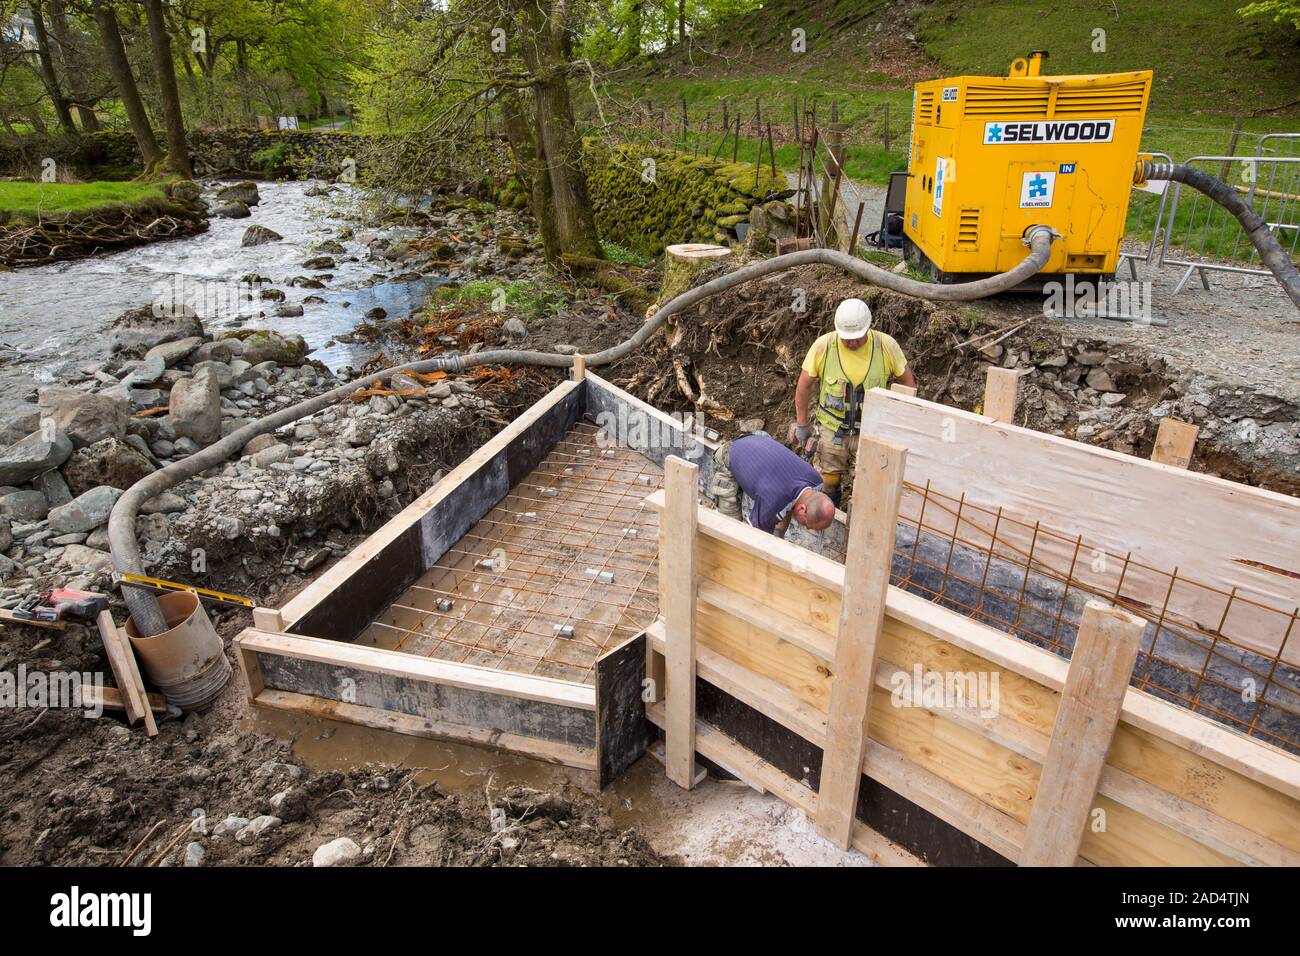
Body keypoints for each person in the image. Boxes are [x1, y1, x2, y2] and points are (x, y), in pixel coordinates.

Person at [788, 298, 916, 505]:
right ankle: (828, 519)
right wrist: (802, 423)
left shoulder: (886, 346)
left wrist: (899, 425)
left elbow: (907, 383)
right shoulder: (824, 346)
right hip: (832, 429)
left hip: (871, 431)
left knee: (869, 484)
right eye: (847, 338)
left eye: (857, 337)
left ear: (868, 327)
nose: (852, 342)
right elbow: (804, 384)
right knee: (827, 481)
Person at [707, 432, 836, 537]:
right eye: (806, 524)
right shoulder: (772, 504)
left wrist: (778, 535)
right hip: (729, 454)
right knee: (732, 529)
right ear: (802, 509)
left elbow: (788, 504)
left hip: (757, 439)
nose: (804, 526)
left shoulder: (816, 480)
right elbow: (755, 537)